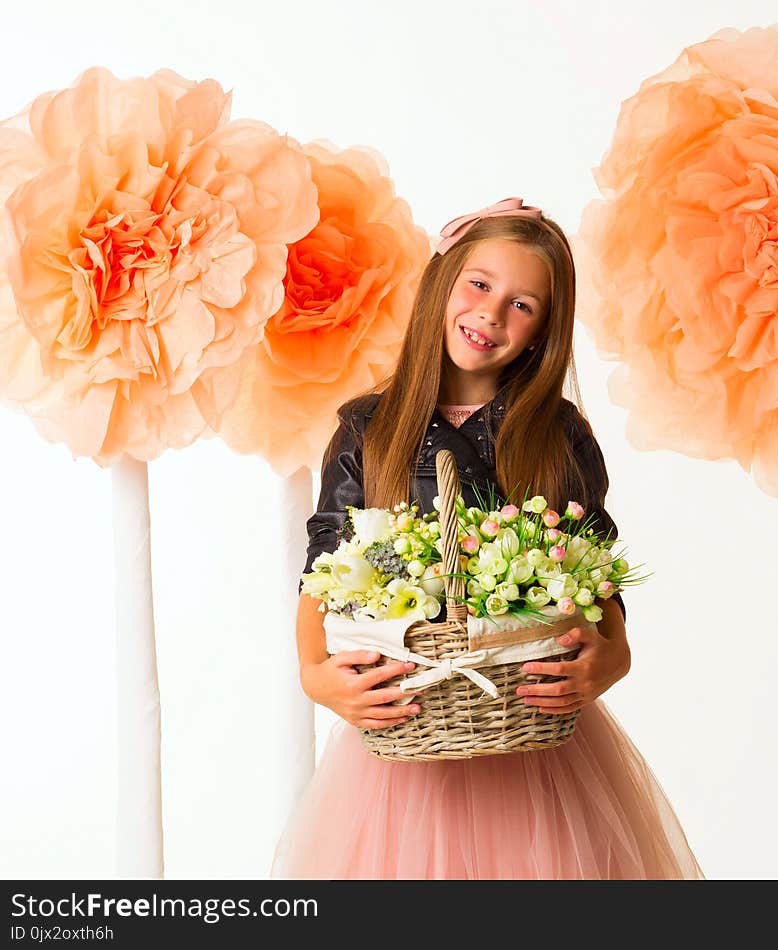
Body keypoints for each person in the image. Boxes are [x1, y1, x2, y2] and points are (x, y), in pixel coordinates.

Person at [271, 197, 704, 879]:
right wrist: (315, 675)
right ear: (443, 284)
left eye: (523, 304)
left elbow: (596, 570)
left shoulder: (555, 435)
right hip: (410, 731)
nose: (492, 315)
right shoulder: (369, 431)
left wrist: (613, 659)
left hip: (533, 739)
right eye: (479, 284)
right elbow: (327, 561)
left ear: (542, 333)